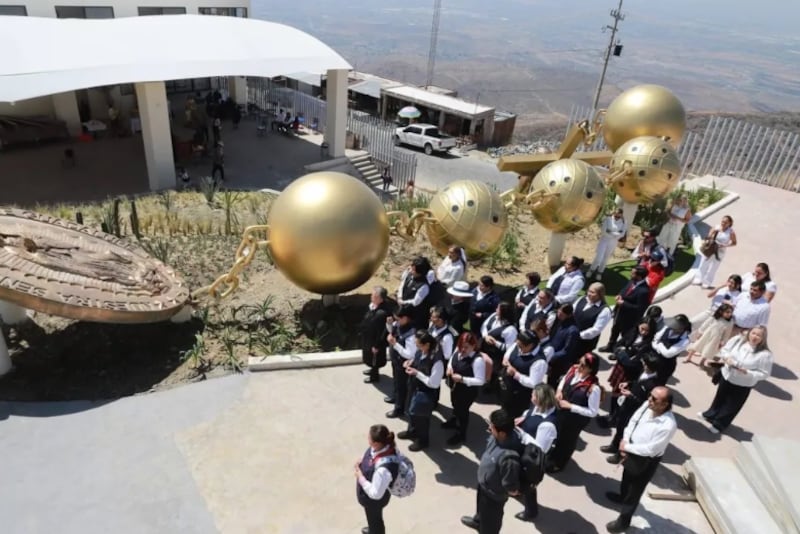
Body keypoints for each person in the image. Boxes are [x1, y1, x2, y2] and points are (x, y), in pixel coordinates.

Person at [605, 386, 678, 533]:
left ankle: (623, 521)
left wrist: (627, 448)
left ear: (664, 404)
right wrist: (625, 441)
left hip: (645, 459)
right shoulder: (646, 406)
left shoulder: (668, 425)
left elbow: (652, 449)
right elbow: (633, 421)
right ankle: (621, 496)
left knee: (634, 491)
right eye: (650, 396)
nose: (649, 400)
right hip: (630, 447)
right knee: (626, 478)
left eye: (654, 399)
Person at [699, 326, 773, 434]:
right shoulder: (738, 341)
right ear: (749, 333)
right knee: (720, 398)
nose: (755, 337)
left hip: (743, 383)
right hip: (727, 375)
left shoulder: (765, 355)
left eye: (759, 335)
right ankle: (710, 415)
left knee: (732, 405)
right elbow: (724, 350)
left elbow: (764, 374)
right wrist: (727, 358)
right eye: (753, 333)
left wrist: (748, 373)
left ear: (763, 338)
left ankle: (719, 424)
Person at [460, 409, 523, 534]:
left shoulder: (509, 457)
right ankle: (478, 522)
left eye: (492, 426)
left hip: (493, 497)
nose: (489, 427)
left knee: (491, 525)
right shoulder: (497, 437)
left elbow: (511, 485)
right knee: (481, 510)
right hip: (484, 486)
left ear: (502, 433)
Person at [601, 353, 661, 464]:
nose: (643, 364)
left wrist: (631, 395)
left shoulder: (653, 384)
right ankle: (614, 445)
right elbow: (636, 382)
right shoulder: (644, 373)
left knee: (625, 433)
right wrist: (627, 383)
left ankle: (619, 455)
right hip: (626, 406)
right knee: (619, 428)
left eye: (645, 363)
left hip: (634, 411)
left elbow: (646, 403)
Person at [548, 353, 601, 472]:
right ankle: (553, 454)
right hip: (562, 412)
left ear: (591, 369)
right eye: (579, 362)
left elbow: (592, 412)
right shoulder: (573, 369)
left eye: (583, 365)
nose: (579, 367)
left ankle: (559, 464)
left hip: (575, 419)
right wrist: (559, 391)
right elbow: (563, 380)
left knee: (567, 441)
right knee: (558, 435)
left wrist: (571, 406)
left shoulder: (593, 388)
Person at [514, 384, 558, 521]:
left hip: (533, 459)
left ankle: (531, 511)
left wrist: (520, 432)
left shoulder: (548, 425)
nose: (531, 397)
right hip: (523, 449)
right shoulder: (536, 407)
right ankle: (518, 490)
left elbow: (539, 449)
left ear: (542, 400)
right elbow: (529, 412)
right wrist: (523, 417)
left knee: (529, 485)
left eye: (534, 396)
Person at [603, 319, 656, 425]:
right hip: (620, 367)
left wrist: (621, 354)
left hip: (630, 372)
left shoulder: (648, 344)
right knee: (615, 391)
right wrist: (621, 352)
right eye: (642, 329)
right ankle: (612, 414)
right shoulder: (632, 332)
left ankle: (615, 417)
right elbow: (618, 345)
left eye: (647, 331)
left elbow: (632, 363)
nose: (643, 332)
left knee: (620, 394)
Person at [400, 332, 444, 451]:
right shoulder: (421, 351)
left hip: (426, 392)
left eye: (419, 345)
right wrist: (410, 363)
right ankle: (412, 431)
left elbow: (434, 383)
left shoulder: (437, 361)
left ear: (427, 345)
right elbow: (416, 359)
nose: (417, 347)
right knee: (411, 412)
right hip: (415, 388)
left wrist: (416, 373)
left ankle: (422, 440)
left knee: (421, 418)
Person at [443, 332, 488, 446]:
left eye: (466, 347)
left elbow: (480, 380)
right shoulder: (458, 351)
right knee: (455, 404)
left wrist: (463, 379)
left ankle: (461, 433)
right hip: (455, 387)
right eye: (461, 346)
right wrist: (449, 368)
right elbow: (451, 361)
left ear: (473, 346)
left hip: (467, 391)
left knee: (463, 411)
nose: (462, 349)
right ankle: (454, 419)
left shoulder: (477, 360)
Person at [355, 424, 399, 534]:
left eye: (369, 438)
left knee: (375, 520)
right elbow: (372, 454)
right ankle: (372, 529)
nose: (367, 439)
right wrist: (362, 461)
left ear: (376, 443)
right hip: (371, 498)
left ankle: (375, 531)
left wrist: (361, 478)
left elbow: (376, 494)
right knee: (372, 518)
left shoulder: (383, 471)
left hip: (374, 501)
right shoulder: (385, 447)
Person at [600, 266, 651, 352]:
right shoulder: (632, 281)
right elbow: (624, 290)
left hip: (629, 318)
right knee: (615, 330)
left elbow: (639, 308)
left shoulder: (644, 291)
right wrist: (620, 295)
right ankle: (610, 346)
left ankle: (619, 351)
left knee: (626, 336)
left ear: (639, 276)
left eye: (633, 273)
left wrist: (624, 303)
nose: (631, 274)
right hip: (619, 313)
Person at [500, 330, 548, 417]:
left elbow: (533, 383)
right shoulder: (518, 345)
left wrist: (515, 374)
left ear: (530, 345)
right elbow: (508, 354)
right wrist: (505, 360)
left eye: (521, 347)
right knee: (504, 410)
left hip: (520, 396)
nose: (518, 348)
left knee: (512, 416)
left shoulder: (539, 362)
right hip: (508, 389)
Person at [384, 306, 417, 418]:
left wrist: (395, 344)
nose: (396, 321)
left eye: (398, 319)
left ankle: (399, 408)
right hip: (396, 361)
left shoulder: (411, 334)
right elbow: (392, 331)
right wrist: (389, 324)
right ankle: (395, 397)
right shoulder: (399, 325)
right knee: (396, 382)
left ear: (406, 318)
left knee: (401, 386)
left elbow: (410, 354)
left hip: (403, 363)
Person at [693, 215, 737, 288]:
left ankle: (707, 282)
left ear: (729, 223)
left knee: (714, 267)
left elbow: (734, 242)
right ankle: (698, 278)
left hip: (720, 251)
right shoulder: (717, 227)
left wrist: (725, 245)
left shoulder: (731, 232)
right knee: (704, 262)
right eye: (722, 221)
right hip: (711, 248)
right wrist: (712, 235)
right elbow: (709, 235)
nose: (723, 223)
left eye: (725, 222)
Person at [360, 286, 393, 383]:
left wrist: (377, 345)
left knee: (375, 358)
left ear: (380, 298)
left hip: (376, 340)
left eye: (373, 295)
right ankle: (372, 369)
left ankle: (374, 376)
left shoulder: (382, 313)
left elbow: (382, 331)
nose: (371, 296)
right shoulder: (374, 306)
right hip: (369, 337)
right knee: (369, 356)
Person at [572, 282, 612, 356]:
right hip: (571, 335)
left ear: (600, 294)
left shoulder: (604, 310)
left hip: (584, 342)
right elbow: (573, 311)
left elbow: (596, 330)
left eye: (592, 292)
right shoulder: (582, 299)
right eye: (589, 291)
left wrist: (578, 335)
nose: (589, 294)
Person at [651, 314, 692, 384]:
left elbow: (668, 354)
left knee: (657, 383)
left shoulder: (685, 341)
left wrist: (659, 345)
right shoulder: (667, 328)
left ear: (682, 328)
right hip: (653, 360)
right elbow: (655, 340)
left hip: (665, 365)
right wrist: (658, 346)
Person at [547, 304, 581, 389]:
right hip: (553, 359)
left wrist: (552, 356)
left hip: (561, 363)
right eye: (558, 312)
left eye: (561, 314)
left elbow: (567, 350)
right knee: (550, 381)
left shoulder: (572, 331)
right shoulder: (560, 322)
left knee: (554, 384)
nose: (559, 315)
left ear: (569, 315)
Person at [587, 208, 627, 280]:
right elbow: (604, 231)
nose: (617, 217)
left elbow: (622, 234)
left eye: (619, 216)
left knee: (606, 258)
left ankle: (599, 272)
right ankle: (591, 270)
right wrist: (616, 234)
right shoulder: (608, 219)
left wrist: (611, 232)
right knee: (599, 257)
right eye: (616, 215)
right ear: (614, 213)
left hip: (613, 242)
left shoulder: (624, 222)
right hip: (604, 240)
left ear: (621, 215)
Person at [481, 302, 519, 371]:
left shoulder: (511, 330)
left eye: (498, 309)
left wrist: (495, 343)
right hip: (484, 350)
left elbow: (510, 348)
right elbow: (484, 326)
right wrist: (486, 336)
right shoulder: (493, 316)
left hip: (496, 357)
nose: (496, 310)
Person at [397, 257, 432, 329]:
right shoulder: (409, 275)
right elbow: (402, 285)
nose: (411, 270)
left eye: (413, 269)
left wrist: (403, 302)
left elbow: (416, 302)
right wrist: (399, 296)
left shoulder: (424, 286)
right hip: (402, 308)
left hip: (412, 315)